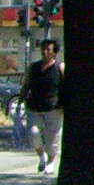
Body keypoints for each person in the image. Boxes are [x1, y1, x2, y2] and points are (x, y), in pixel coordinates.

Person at [19, 38, 66, 173]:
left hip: (53, 108)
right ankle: (41, 156)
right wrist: (20, 101)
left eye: (48, 50)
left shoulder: (60, 67)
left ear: (54, 52)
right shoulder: (33, 67)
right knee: (33, 133)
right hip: (34, 107)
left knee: (53, 139)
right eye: (43, 49)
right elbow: (26, 84)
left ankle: (51, 162)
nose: (45, 52)